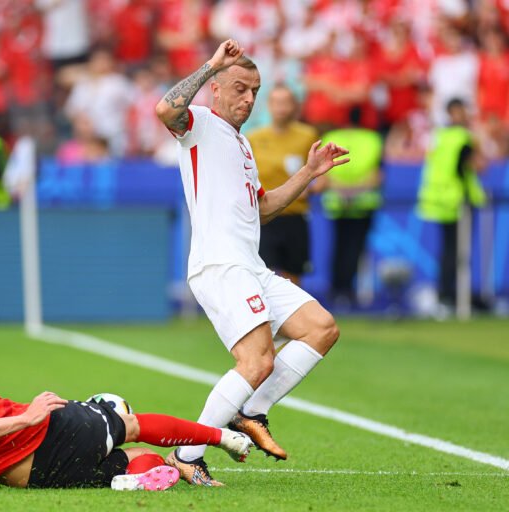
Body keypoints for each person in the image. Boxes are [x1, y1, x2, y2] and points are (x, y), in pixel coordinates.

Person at [154, 39, 348, 486]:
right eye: (239, 88)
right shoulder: (199, 124)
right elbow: (166, 110)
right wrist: (210, 65)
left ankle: (251, 409)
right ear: (216, 89)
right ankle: (188, 453)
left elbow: (260, 208)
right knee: (256, 360)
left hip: (251, 265)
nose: (248, 99)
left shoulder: (241, 146)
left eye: (254, 91)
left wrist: (307, 174)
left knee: (321, 328)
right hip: (220, 265)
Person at [0, 308, 253, 491]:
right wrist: (27, 417)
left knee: (130, 461)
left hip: (27, 477)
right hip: (45, 436)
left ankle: (130, 479)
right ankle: (221, 438)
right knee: (128, 421)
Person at [247, 84, 321, 286]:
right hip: (264, 219)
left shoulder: (307, 136)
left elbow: (322, 175)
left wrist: (310, 189)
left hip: (295, 216)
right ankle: (267, 318)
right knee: (264, 278)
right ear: (268, 106)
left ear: (295, 106)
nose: (281, 107)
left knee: (294, 280)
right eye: (276, 102)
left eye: (286, 102)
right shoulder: (254, 138)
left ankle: (294, 318)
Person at [417, 98, 486, 309]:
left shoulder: (439, 136)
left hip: (439, 199)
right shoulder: (463, 137)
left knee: (447, 250)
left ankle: (445, 294)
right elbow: (480, 165)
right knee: (457, 252)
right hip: (459, 201)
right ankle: (451, 297)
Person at [321, 107, 384, 307]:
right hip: (363, 202)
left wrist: (343, 192)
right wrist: (356, 192)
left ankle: (337, 290)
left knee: (338, 246)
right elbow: (377, 175)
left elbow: (324, 173)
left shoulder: (331, 136)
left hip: (337, 201)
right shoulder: (373, 139)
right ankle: (348, 291)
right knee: (356, 248)